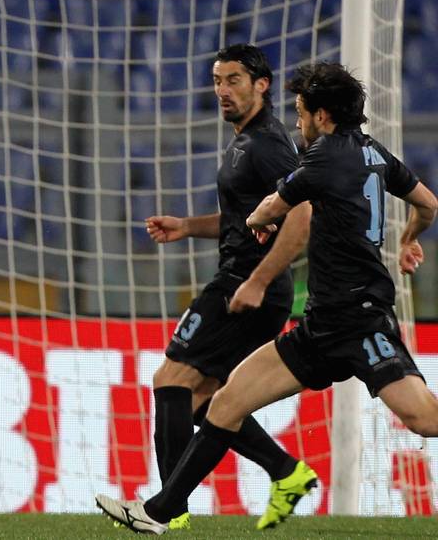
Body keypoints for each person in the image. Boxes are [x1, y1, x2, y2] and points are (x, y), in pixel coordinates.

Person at [97, 62, 438, 534]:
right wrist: (409, 240)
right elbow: (428, 204)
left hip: (362, 324)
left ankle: (170, 507)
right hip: (319, 328)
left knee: (424, 419)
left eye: (301, 113)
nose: (297, 122)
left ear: (321, 116)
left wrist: (260, 223)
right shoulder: (374, 152)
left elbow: (270, 207)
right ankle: (160, 512)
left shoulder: (320, 158)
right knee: (226, 401)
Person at [143, 44, 316, 530]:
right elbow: (249, 217)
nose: (222, 90)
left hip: (246, 282)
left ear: (262, 84)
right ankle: (285, 471)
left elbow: (302, 211)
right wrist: (186, 226)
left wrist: (259, 281)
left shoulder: (268, 143)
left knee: (171, 381)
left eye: (233, 80)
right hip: (246, 279)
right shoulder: (244, 140)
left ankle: (167, 512)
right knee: (206, 400)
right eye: (217, 80)